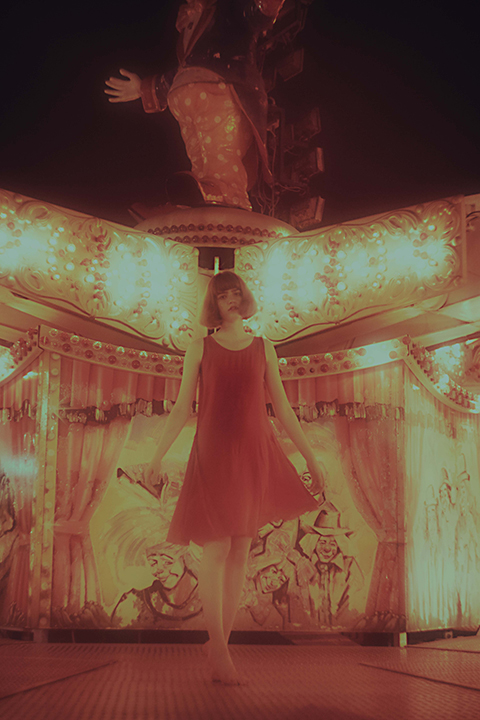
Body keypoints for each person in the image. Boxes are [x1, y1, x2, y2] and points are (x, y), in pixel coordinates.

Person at [145, 270, 323, 684]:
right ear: (214, 302)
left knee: (241, 548)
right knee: (217, 547)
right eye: (223, 294)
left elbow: (282, 407)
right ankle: (221, 651)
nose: (231, 299)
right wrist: (156, 455)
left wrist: (311, 458)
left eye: (236, 293)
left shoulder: (264, 347)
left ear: (245, 298)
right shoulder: (199, 348)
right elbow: (182, 407)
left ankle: (219, 648)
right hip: (214, 451)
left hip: (253, 452)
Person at [104, 0, 286, 210]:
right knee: (199, 162)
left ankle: (227, 193)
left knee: (220, 154)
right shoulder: (193, 22)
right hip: (187, 95)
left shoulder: (230, 6)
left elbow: (258, 13)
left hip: (219, 88)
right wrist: (142, 88)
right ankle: (197, 198)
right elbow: (187, 66)